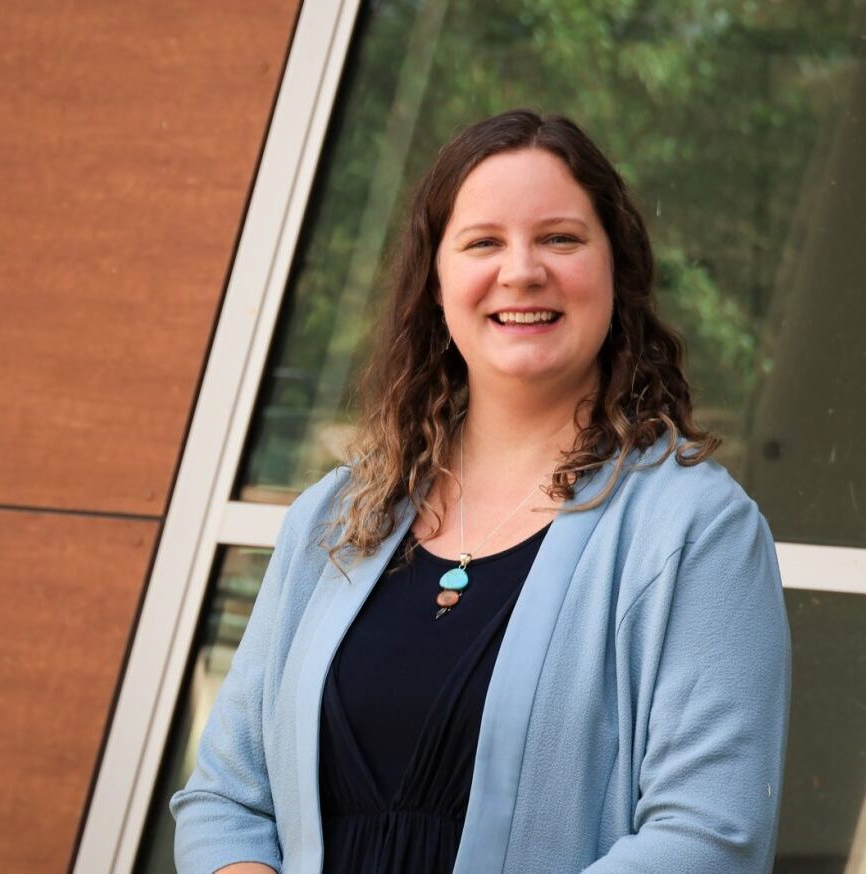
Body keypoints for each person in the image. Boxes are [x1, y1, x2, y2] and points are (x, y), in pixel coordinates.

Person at [171, 108, 791, 874]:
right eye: (483, 243)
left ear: (617, 272)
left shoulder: (696, 532)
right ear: (436, 284)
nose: (521, 271)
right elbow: (227, 799)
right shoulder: (333, 519)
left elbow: (708, 840)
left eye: (560, 239)